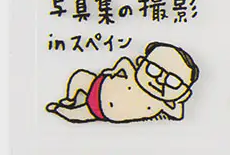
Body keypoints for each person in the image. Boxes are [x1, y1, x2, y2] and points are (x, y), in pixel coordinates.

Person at [47, 41, 199, 124]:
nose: (159, 80)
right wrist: (114, 71)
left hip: (99, 111)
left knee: (74, 115)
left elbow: (177, 114)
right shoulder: (132, 73)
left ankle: (60, 109)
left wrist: (179, 99)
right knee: (79, 78)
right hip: (97, 84)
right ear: (140, 62)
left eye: (172, 81)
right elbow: (125, 62)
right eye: (153, 70)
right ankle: (70, 99)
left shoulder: (162, 104)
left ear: (184, 92)